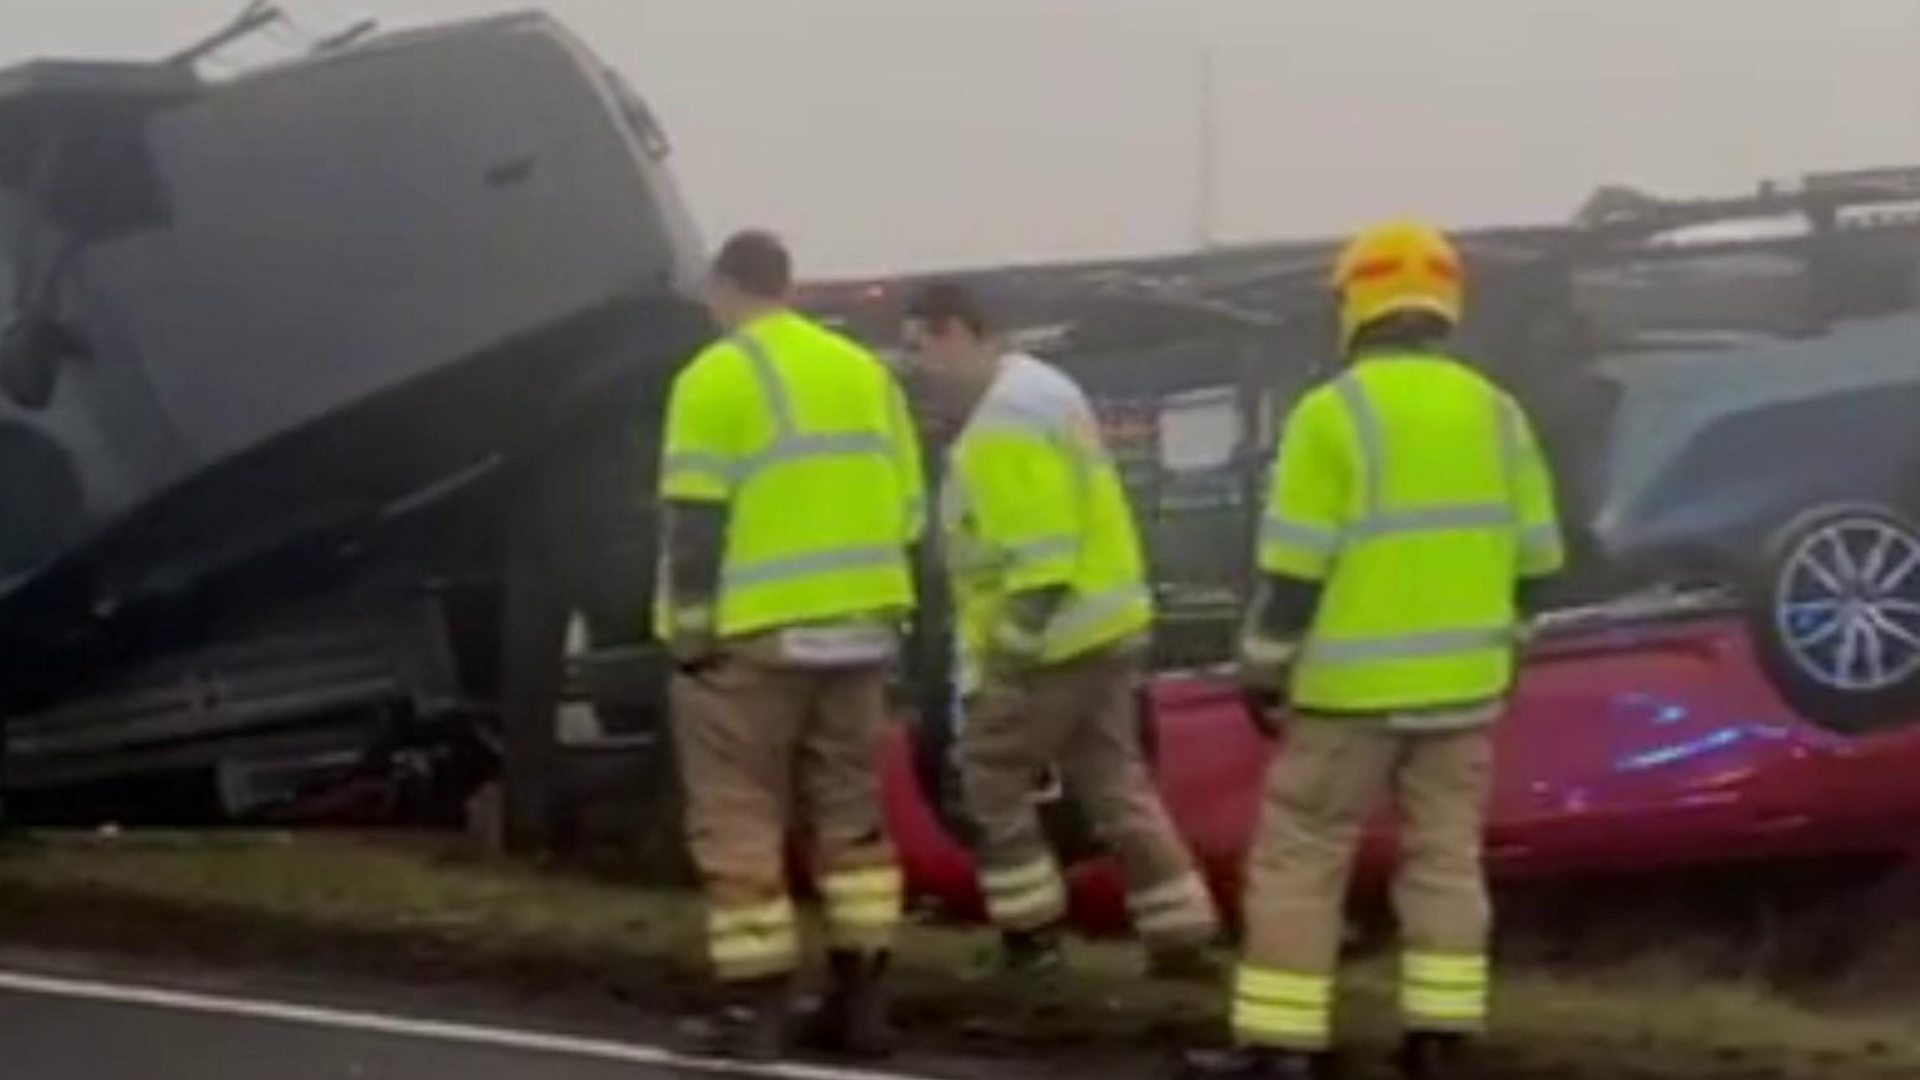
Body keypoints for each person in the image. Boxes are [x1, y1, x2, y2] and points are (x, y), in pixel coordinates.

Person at [1186, 220, 1564, 1080]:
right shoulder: (1496, 412)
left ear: (1353, 303)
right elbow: (1539, 562)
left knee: (1301, 859)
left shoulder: (1333, 414)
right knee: (1445, 860)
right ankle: (1441, 1039)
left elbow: (1294, 570)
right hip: (1464, 692)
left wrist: (1264, 664)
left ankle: (1283, 1047)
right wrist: (1507, 648)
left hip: (1345, 695)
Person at [657, 230, 924, 1060]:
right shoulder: (864, 373)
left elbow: (695, 521)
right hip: (860, 628)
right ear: (790, 285)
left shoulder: (715, 375)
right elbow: (911, 510)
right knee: (851, 816)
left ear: (724, 287)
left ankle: (753, 1013)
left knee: (738, 815)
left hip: (756, 634)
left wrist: (691, 630)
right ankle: (863, 1004)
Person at [903, 281, 1220, 979]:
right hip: (1105, 629)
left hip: (1049, 644)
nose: (921, 365)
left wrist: (1004, 673)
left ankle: (1031, 939)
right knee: (1115, 785)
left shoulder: (1002, 421)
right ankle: (1181, 936)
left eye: (921, 345)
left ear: (956, 330)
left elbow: (1039, 561)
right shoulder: (1046, 390)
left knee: (989, 780)